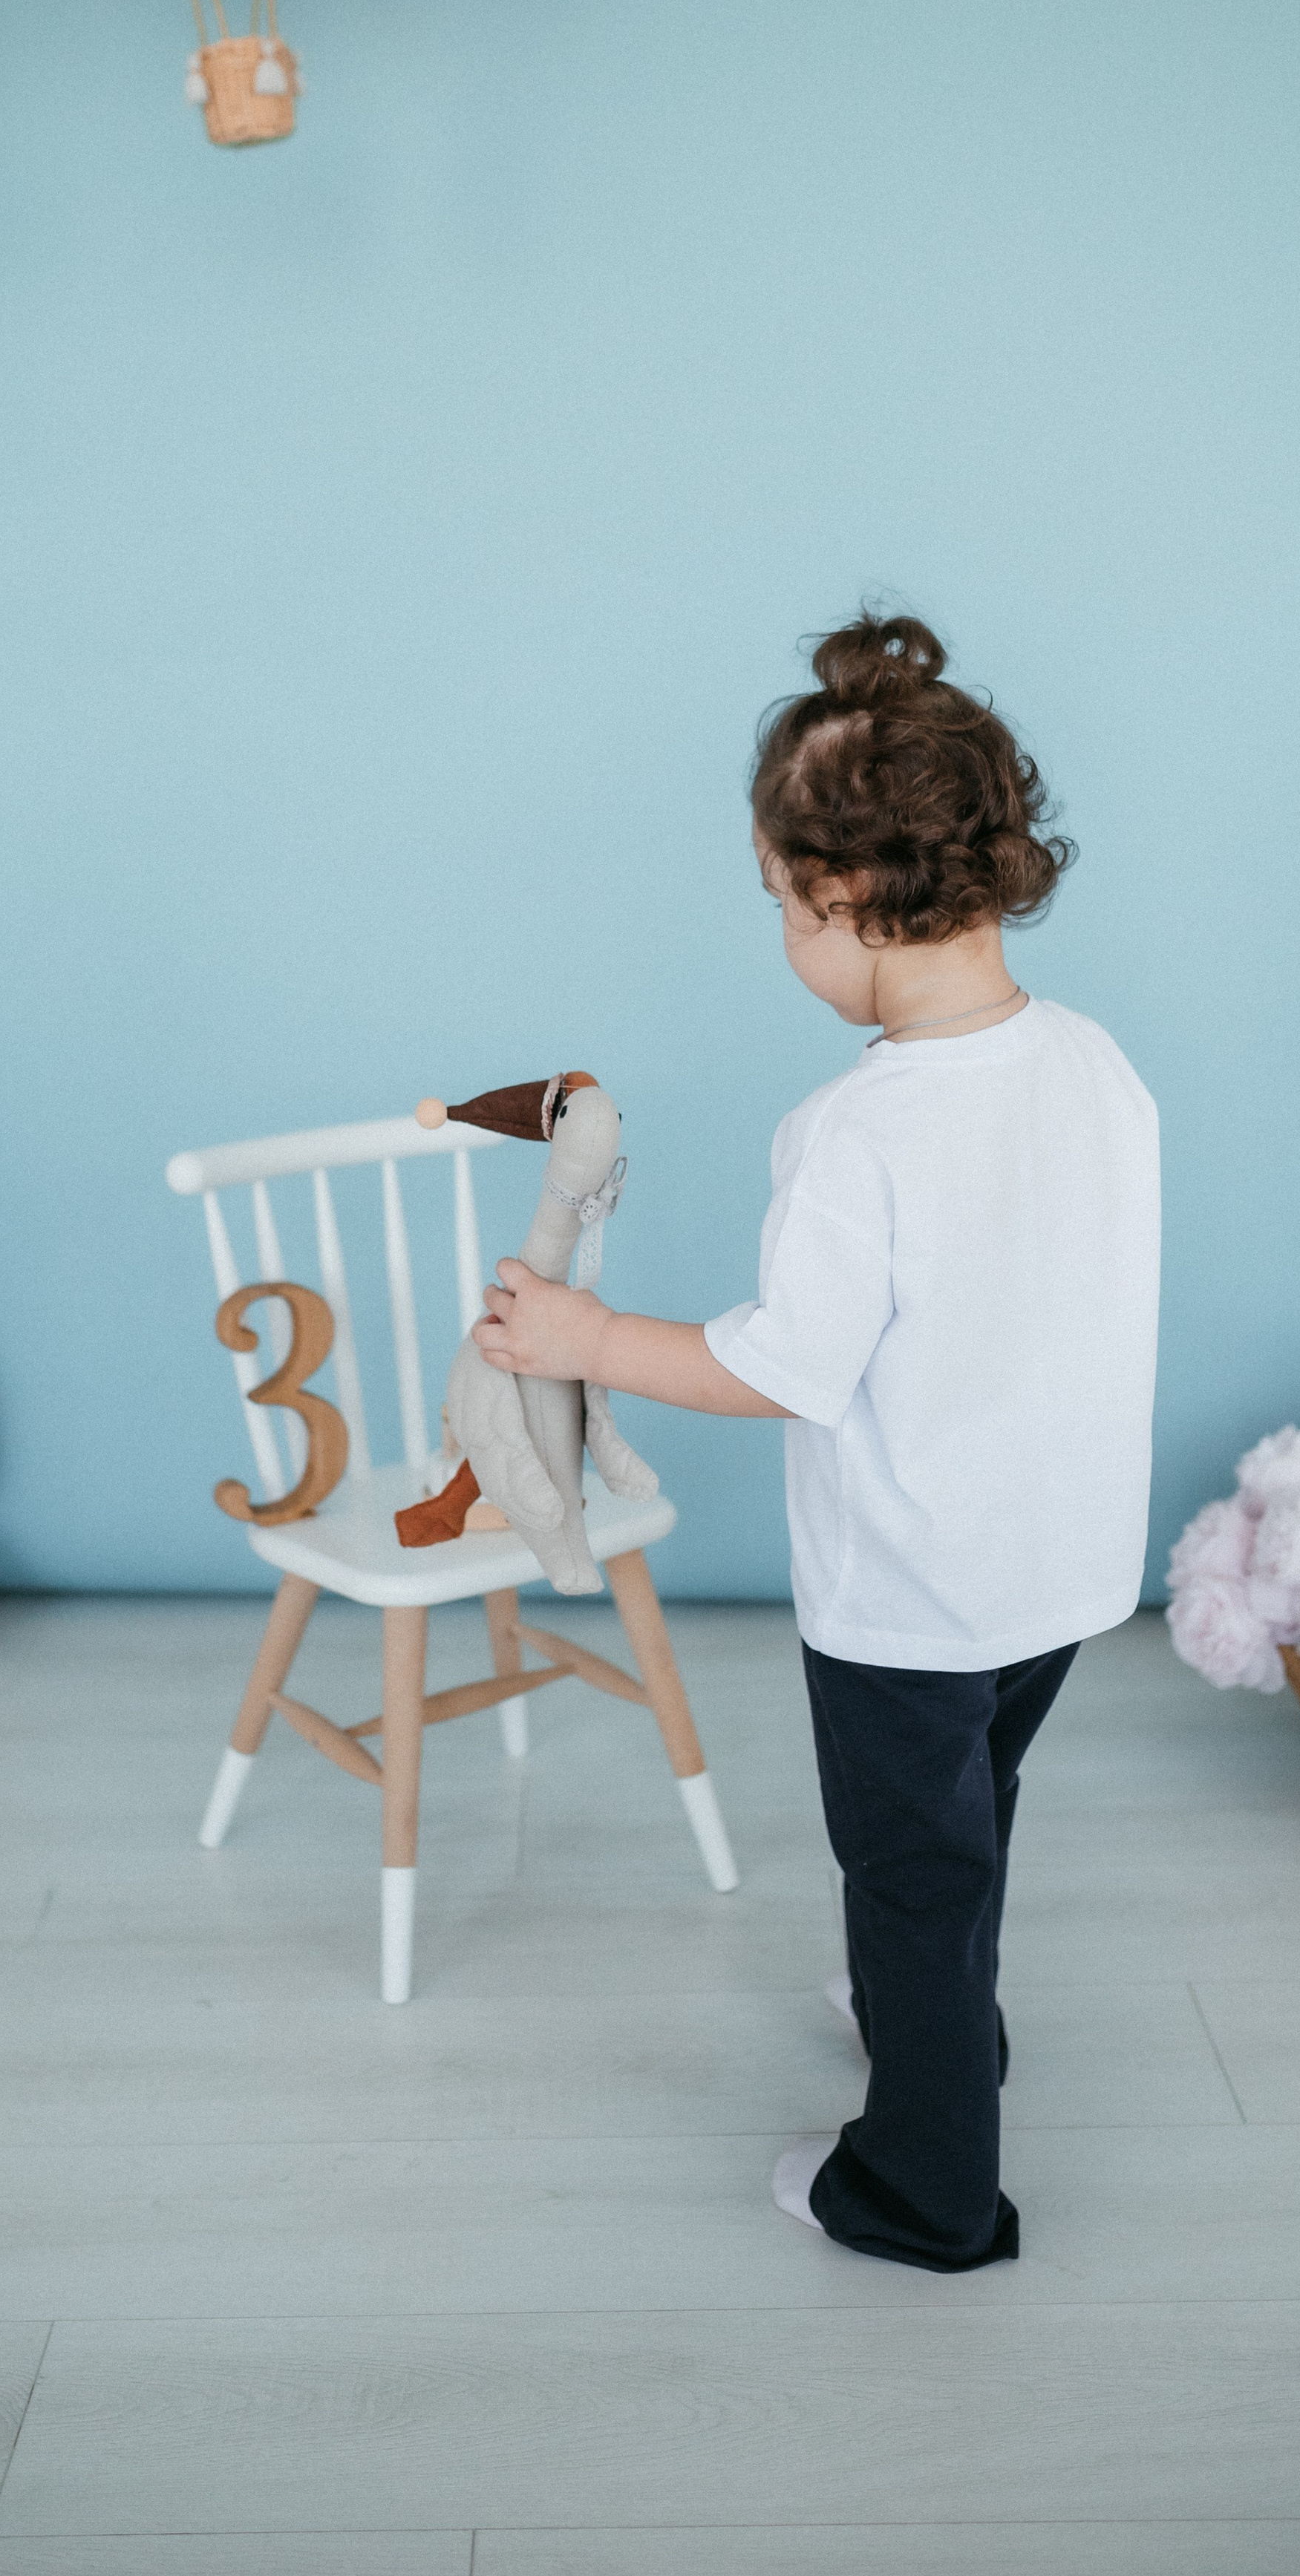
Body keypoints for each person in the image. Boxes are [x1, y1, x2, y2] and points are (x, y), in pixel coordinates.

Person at [472, 609, 1160, 2273]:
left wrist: (583, 1342)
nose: (779, 931)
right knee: (966, 1817)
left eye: (781, 903)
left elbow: (785, 1369)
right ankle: (950, 2029)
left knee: (910, 1868)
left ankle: (923, 2186)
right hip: (1060, 1568)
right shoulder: (1093, 1065)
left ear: (845, 901)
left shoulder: (855, 1131)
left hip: (913, 1595)